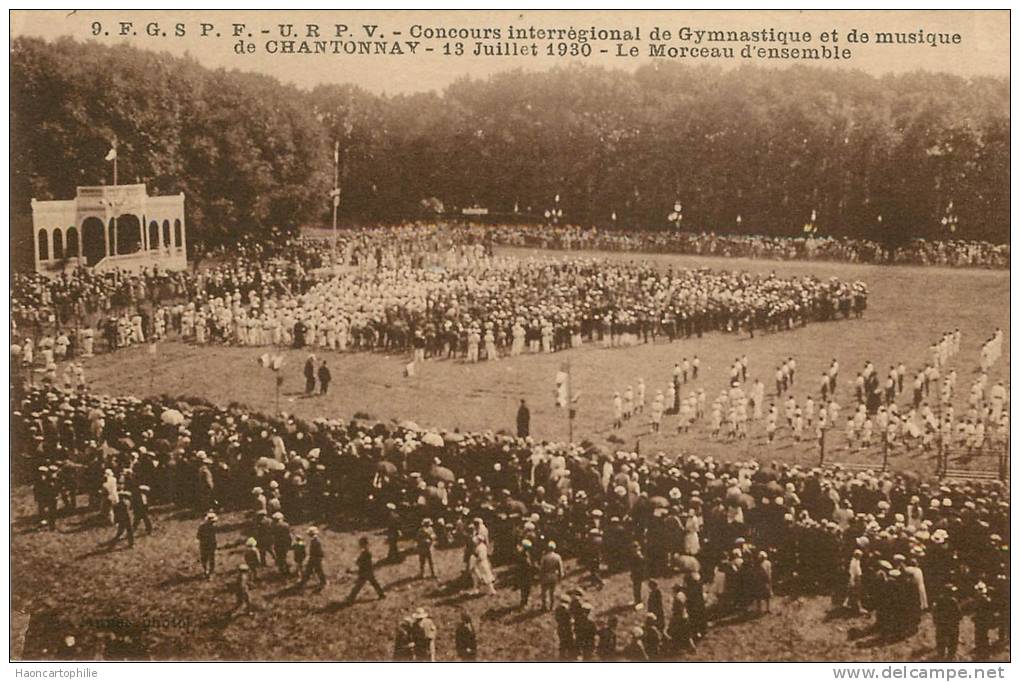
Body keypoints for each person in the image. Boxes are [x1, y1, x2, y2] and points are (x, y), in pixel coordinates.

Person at [346, 536, 386, 603]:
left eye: (361, 544)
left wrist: (358, 564)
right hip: (368, 571)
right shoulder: (366, 553)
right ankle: (381, 594)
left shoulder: (365, 553)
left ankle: (351, 598)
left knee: (358, 585)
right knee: (374, 583)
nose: (360, 546)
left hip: (364, 572)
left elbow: (361, 562)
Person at [931, 585, 962, 660]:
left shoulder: (939, 601)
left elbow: (935, 612)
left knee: (941, 641)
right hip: (952, 625)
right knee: (953, 641)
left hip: (941, 625)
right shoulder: (953, 601)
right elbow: (959, 614)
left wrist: (936, 621)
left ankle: (941, 655)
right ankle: (950, 656)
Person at [540, 541, 565, 610]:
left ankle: (544, 606)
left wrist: (540, 576)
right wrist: (560, 576)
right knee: (552, 592)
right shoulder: (557, 557)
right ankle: (552, 606)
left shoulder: (545, 557)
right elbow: (560, 568)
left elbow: (541, 568)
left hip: (546, 575)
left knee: (544, 592)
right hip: (554, 575)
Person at [197, 511, 218, 579]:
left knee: (205, 558)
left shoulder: (202, 527)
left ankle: (207, 571)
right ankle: (209, 571)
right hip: (209, 545)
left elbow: (198, 536)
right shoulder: (213, 527)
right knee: (210, 558)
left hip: (205, 545)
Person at [554, 594, 575, 660]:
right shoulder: (567, 609)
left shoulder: (557, 609)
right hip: (567, 628)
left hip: (560, 628)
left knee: (562, 644)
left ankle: (561, 657)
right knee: (570, 644)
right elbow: (570, 619)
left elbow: (556, 618)